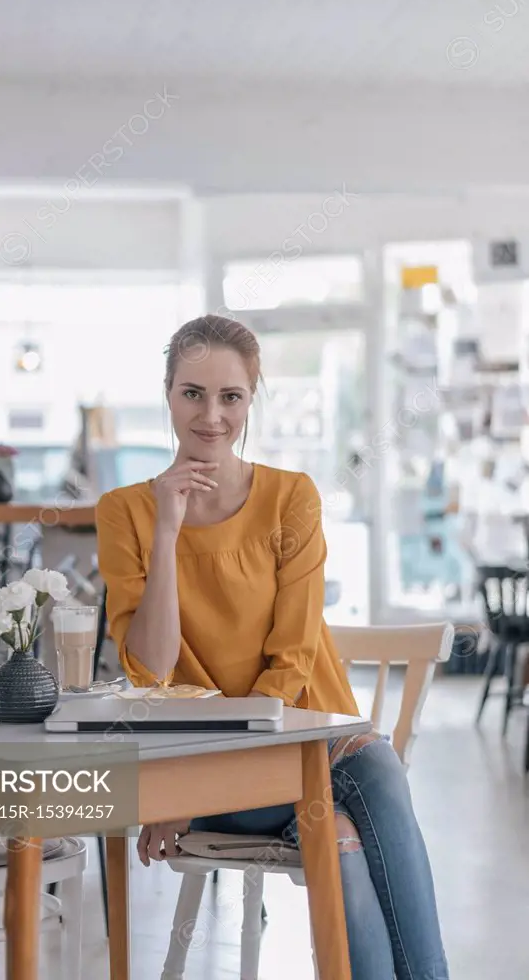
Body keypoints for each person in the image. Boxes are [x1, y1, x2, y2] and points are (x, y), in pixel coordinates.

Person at [95, 314, 449, 980]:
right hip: (210, 767)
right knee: (370, 776)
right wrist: (168, 530)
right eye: (192, 393)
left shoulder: (291, 497)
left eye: (230, 396)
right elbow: (150, 666)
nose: (211, 416)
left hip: (307, 744)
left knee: (345, 821)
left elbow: (291, 657)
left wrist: (251, 754)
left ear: (250, 400)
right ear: (167, 394)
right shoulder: (127, 512)